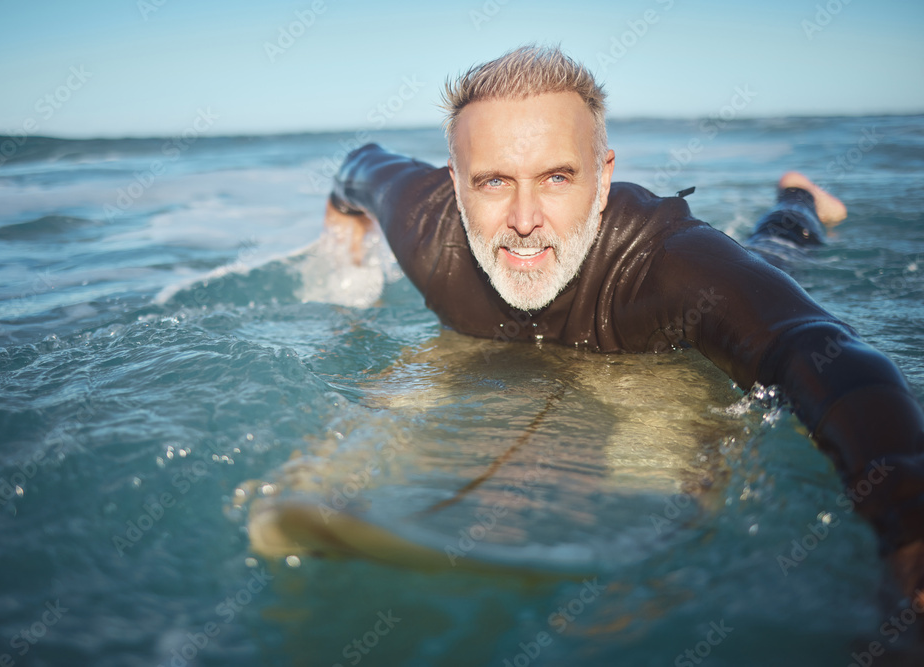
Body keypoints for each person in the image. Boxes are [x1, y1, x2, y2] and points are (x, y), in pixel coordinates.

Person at [322, 45, 924, 607]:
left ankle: (800, 198)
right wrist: (342, 264)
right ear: (455, 184)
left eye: (557, 177)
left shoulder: (668, 264)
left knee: (777, 246)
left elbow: (817, 349)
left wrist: (908, 528)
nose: (524, 219)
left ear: (603, 177)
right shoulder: (423, 223)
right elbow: (357, 167)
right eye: (494, 181)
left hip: (721, 291)